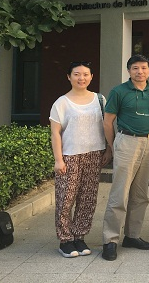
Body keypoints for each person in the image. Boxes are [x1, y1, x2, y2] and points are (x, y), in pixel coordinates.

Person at [101, 55, 149, 261]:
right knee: (119, 193)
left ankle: (132, 235)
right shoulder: (118, 91)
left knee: (140, 193)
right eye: (135, 68)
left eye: (144, 68)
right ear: (129, 71)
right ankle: (110, 240)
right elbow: (107, 122)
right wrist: (112, 147)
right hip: (127, 141)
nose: (140, 72)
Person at [49, 61, 110, 258]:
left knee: (87, 198)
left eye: (85, 74)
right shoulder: (61, 102)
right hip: (70, 156)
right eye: (76, 74)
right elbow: (55, 133)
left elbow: (107, 126)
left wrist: (109, 149)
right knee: (65, 198)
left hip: (94, 154)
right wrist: (58, 159)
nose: (81, 78)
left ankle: (79, 236)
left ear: (91, 77)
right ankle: (65, 239)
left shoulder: (100, 99)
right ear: (69, 77)